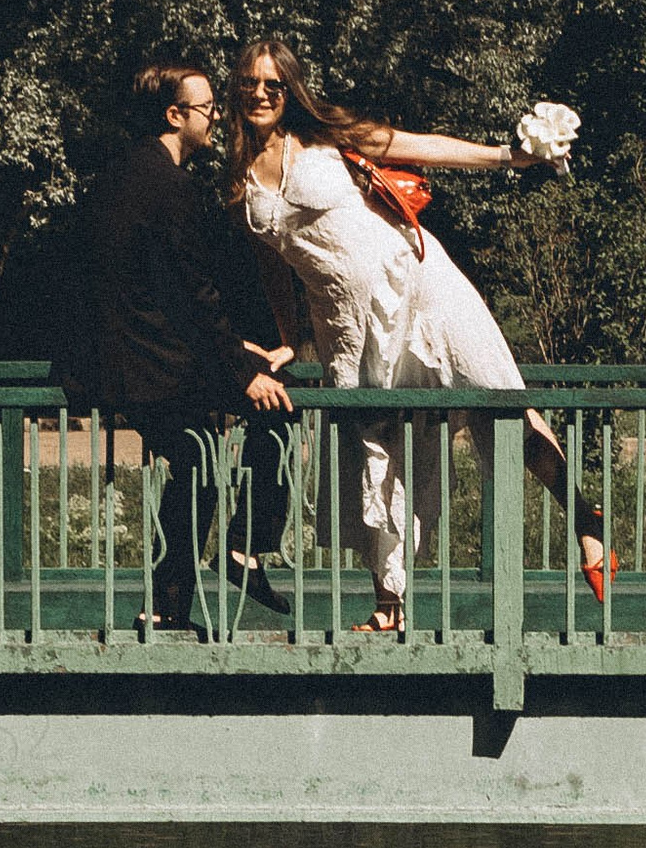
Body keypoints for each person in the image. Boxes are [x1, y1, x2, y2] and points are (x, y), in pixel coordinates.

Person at [227, 38, 610, 629]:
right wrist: (289, 339)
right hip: (347, 328)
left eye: (272, 85)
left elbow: (422, 147)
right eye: (250, 83)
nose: (260, 94)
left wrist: (509, 157)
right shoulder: (238, 175)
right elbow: (277, 268)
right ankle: (390, 607)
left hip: (418, 282)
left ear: (290, 90)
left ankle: (585, 518)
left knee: (500, 399)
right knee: (376, 455)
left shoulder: (329, 135)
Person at [86, 60, 294, 630]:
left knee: (194, 463)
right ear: (175, 115)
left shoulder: (122, 174)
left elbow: (163, 290)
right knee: (278, 403)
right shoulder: (171, 188)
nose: (216, 118)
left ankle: (170, 604)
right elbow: (191, 296)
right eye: (206, 110)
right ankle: (246, 546)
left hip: (131, 352)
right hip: (152, 363)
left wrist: (237, 350)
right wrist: (243, 370)